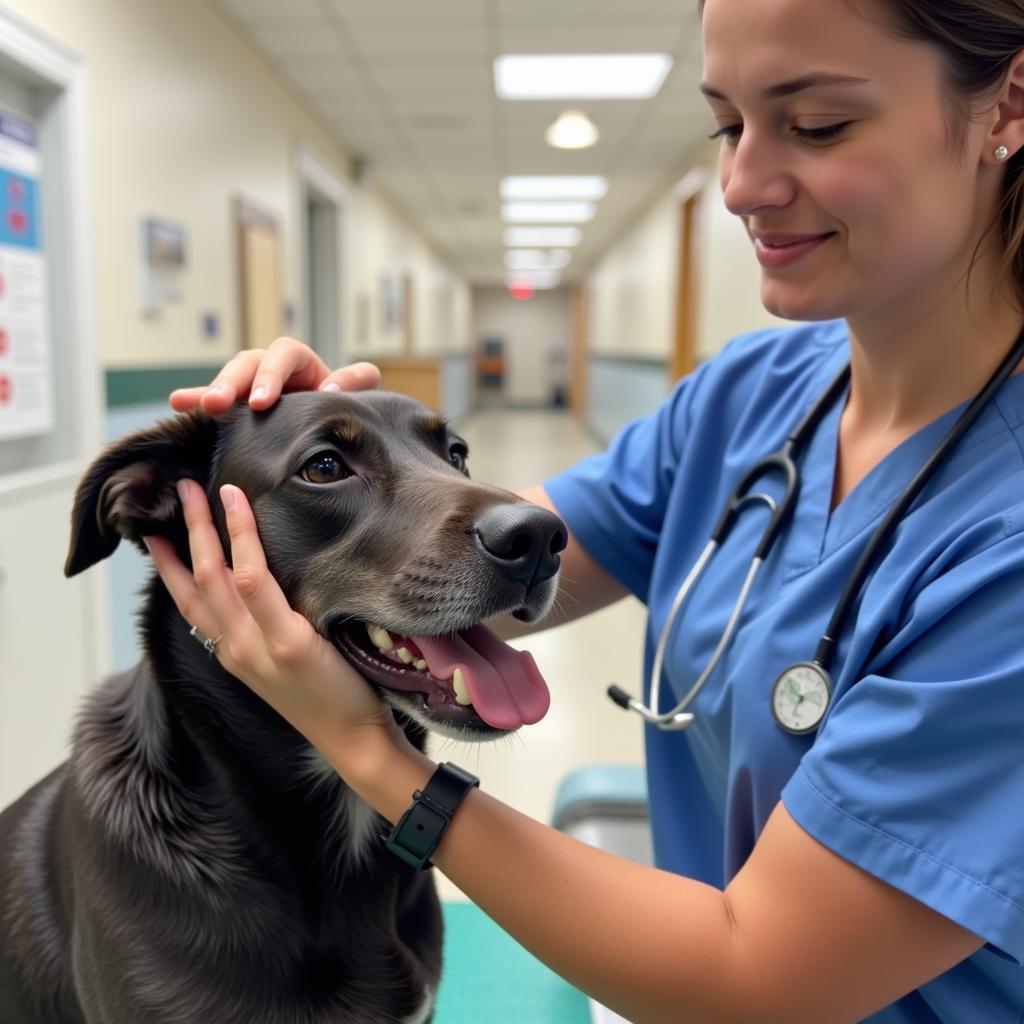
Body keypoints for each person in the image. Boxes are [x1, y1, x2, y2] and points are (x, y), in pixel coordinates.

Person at [146, 0, 1024, 1019]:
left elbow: (756, 977)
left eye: (816, 124)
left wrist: (372, 757)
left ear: (1007, 100)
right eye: (727, 125)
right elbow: (506, 550)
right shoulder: (753, 395)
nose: (741, 184)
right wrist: (324, 468)